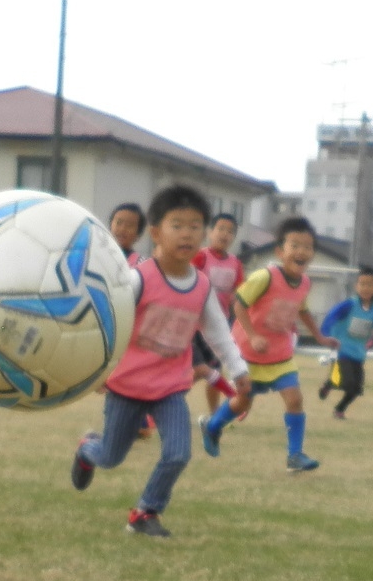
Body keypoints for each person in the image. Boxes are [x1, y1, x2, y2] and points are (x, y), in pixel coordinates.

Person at [70, 184, 250, 537]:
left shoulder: (201, 286)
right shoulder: (137, 279)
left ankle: (145, 512)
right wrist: (99, 372)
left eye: (195, 226)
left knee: (179, 453)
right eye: (177, 225)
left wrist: (239, 368)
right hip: (125, 387)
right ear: (156, 233)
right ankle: (86, 451)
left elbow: (218, 333)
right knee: (110, 456)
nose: (187, 234)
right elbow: (110, 326)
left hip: (169, 389)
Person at [202, 215, 334, 472]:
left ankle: (294, 455)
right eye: (294, 245)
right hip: (249, 354)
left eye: (307, 247)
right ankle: (213, 426)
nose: (301, 252)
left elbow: (303, 311)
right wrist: (252, 335)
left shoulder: (305, 283)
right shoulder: (265, 277)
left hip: (280, 355)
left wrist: (320, 337)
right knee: (243, 403)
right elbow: (238, 304)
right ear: (279, 251)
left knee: (295, 400)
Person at [317, 265, 373, 420]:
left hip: (358, 354)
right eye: (362, 284)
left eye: (369, 284)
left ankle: (339, 408)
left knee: (356, 389)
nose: (365, 288)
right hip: (342, 351)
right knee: (348, 382)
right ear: (356, 286)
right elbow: (331, 316)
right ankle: (330, 383)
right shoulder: (349, 305)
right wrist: (325, 335)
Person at [192, 210, 244, 414]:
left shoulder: (235, 263)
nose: (225, 234)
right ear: (210, 232)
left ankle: (215, 413)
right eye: (220, 229)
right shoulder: (200, 257)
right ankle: (162, 403)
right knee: (203, 370)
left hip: (219, 325)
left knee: (212, 370)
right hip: (195, 324)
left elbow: (240, 294)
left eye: (230, 231)